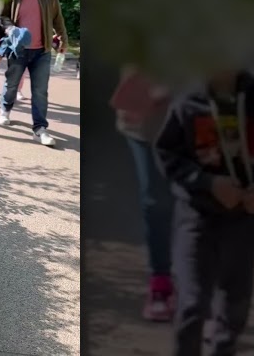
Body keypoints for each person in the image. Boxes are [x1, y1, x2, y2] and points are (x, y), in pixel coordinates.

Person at [155, 67, 254, 356]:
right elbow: (167, 154)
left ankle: (224, 349)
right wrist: (207, 182)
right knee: (192, 302)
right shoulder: (188, 102)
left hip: (243, 218)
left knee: (235, 302)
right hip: (196, 216)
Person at [109, 66, 176, 321]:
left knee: (199, 197)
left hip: (199, 109)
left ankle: (202, 287)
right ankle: (161, 281)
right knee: (156, 201)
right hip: (147, 114)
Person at [0, 0, 68, 147]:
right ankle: (5, 109)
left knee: (40, 91)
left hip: (42, 50)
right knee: (12, 85)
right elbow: (1, 17)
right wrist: (11, 29)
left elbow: (57, 16)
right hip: (18, 50)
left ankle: (39, 129)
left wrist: (63, 39)